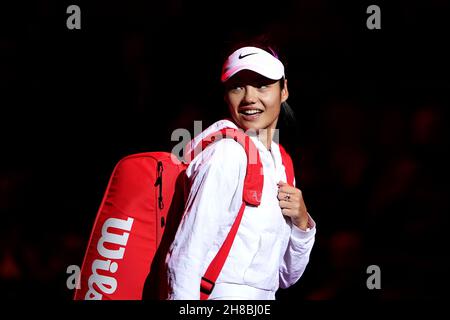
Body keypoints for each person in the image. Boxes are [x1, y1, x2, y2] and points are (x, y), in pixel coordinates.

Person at [165, 39, 316, 300]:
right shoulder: (227, 153)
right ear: (226, 95)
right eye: (237, 87)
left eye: (262, 85)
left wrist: (302, 223)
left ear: (284, 90)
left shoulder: (281, 163)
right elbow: (185, 256)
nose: (249, 98)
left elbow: (283, 276)